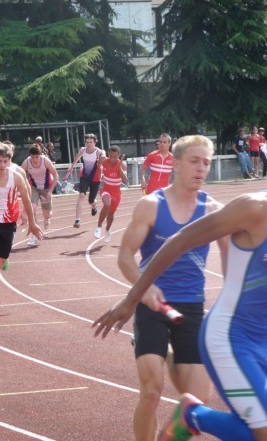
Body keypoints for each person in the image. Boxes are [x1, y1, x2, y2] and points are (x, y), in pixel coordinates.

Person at [93, 125, 267, 441]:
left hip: (263, 338)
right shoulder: (256, 208)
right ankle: (190, 417)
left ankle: (191, 415)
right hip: (228, 334)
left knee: (259, 432)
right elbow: (179, 240)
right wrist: (133, 298)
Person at [111, 136, 227, 441]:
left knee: (198, 403)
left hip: (191, 308)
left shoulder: (215, 210)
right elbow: (124, 256)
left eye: (206, 162)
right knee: (151, 392)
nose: (201, 168)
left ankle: (172, 355)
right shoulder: (151, 205)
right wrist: (143, 289)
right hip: (151, 305)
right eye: (194, 161)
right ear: (175, 164)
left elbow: (233, 266)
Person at [0, 142, 43, 312]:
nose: (2, 165)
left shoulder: (16, 177)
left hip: (8, 224)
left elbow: (26, 200)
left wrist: (32, 224)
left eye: (5, 161)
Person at [21, 143, 59, 245]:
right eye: (32, 157)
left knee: (47, 214)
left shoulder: (45, 161)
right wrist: (23, 184)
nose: (35, 159)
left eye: (37, 157)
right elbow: (19, 174)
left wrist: (50, 191)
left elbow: (55, 175)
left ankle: (47, 219)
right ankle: (33, 235)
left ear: (40, 155)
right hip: (33, 187)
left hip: (46, 188)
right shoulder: (27, 162)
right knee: (32, 208)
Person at [63, 133, 104, 228]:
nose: (89, 144)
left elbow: (103, 156)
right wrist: (71, 167)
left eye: (91, 142)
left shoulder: (98, 151)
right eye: (87, 142)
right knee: (81, 195)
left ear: (95, 142)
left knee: (91, 201)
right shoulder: (83, 150)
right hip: (85, 176)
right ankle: (77, 220)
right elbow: (77, 157)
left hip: (95, 178)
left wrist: (104, 158)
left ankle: (94, 206)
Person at [93, 145, 128, 243]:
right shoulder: (105, 161)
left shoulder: (122, 165)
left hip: (116, 193)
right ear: (108, 154)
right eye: (111, 156)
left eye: (115, 156)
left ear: (119, 156)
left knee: (111, 214)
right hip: (106, 189)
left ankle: (107, 230)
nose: (112, 158)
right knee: (107, 204)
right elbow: (99, 160)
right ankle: (99, 227)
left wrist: (119, 167)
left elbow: (125, 181)